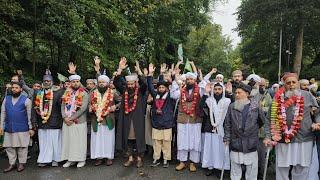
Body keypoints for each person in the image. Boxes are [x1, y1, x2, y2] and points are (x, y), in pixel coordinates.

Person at [264, 73, 320, 180]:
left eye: (294, 82)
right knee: (282, 168)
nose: (291, 85)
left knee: (302, 167)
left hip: (304, 138)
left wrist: (317, 122)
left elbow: (317, 112)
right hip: (283, 139)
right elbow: (269, 119)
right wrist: (268, 136)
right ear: (284, 85)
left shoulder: (307, 95)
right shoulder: (277, 99)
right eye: (288, 83)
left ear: (298, 83)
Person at [224, 82, 266, 180]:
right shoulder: (232, 106)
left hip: (250, 141)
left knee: (251, 168)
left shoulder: (255, 106)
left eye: (239, 93)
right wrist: (227, 137)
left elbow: (262, 121)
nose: (236, 95)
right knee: (235, 166)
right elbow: (227, 123)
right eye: (236, 93)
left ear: (247, 94)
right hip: (236, 140)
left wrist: (251, 130)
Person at [114, 57, 147, 168]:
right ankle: (130, 158)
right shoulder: (124, 91)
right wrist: (120, 69)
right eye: (129, 84)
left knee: (138, 138)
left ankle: (139, 158)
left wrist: (139, 71)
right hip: (127, 118)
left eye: (132, 84)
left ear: (135, 83)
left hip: (137, 119)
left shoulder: (141, 91)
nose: (131, 86)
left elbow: (145, 84)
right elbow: (116, 82)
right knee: (128, 139)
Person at [171, 71, 202, 172]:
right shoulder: (182, 90)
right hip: (183, 119)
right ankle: (182, 162)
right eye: (187, 79)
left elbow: (205, 91)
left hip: (195, 119)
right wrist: (176, 82)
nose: (189, 81)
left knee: (194, 140)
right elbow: (173, 95)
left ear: (195, 80)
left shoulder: (199, 90)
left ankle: (192, 163)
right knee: (182, 140)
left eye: (191, 79)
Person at [32, 70, 64, 167]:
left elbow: (61, 106)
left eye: (48, 81)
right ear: (42, 82)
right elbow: (33, 109)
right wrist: (33, 121)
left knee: (55, 142)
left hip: (54, 122)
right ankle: (44, 160)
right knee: (43, 142)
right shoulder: (38, 93)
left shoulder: (58, 93)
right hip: (42, 122)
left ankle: (55, 159)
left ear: (52, 83)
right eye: (45, 81)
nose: (46, 82)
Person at [0, 82, 34, 172]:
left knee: (22, 147)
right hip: (9, 127)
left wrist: (31, 128)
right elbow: (3, 113)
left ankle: (22, 163)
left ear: (21, 89)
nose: (14, 89)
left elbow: (30, 115)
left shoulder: (26, 100)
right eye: (13, 88)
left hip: (22, 128)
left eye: (16, 88)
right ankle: (12, 164)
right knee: (9, 147)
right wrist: (1, 126)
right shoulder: (6, 99)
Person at [147, 63, 176, 168]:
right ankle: (156, 158)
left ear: (166, 88)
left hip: (167, 123)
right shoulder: (155, 95)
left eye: (163, 87)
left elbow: (173, 86)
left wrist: (167, 75)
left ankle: (166, 159)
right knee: (156, 143)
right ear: (157, 88)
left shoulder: (170, 96)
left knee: (166, 143)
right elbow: (150, 86)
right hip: (156, 123)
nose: (161, 88)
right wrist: (150, 74)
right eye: (159, 87)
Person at [200, 82, 231, 177]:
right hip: (210, 128)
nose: (217, 91)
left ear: (223, 90)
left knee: (220, 149)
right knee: (210, 149)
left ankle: (219, 168)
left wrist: (230, 93)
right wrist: (205, 93)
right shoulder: (209, 100)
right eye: (215, 89)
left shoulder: (227, 101)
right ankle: (210, 167)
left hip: (222, 129)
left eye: (219, 89)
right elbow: (200, 107)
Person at [89, 74, 118, 166]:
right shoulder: (93, 92)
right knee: (97, 139)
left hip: (108, 119)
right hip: (96, 119)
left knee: (108, 139)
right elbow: (89, 103)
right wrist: (90, 107)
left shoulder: (113, 93)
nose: (101, 84)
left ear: (107, 83)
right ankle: (99, 157)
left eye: (103, 82)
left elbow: (122, 101)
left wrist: (115, 106)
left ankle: (109, 157)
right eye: (100, 82)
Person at [60, 74, 89, 168]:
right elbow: (63, 106)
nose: (75, 83)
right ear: (70, 83)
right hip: (67, 121)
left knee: (79, 141)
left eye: (77, 81)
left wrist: (71, 118)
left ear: (79, 82)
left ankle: (81, 159)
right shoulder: (66, 92)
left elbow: (83, 108)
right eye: (73, 82)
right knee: (68, 141)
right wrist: (65, 117)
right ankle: (70, 159)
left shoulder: (84, 93)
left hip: (79, 121)